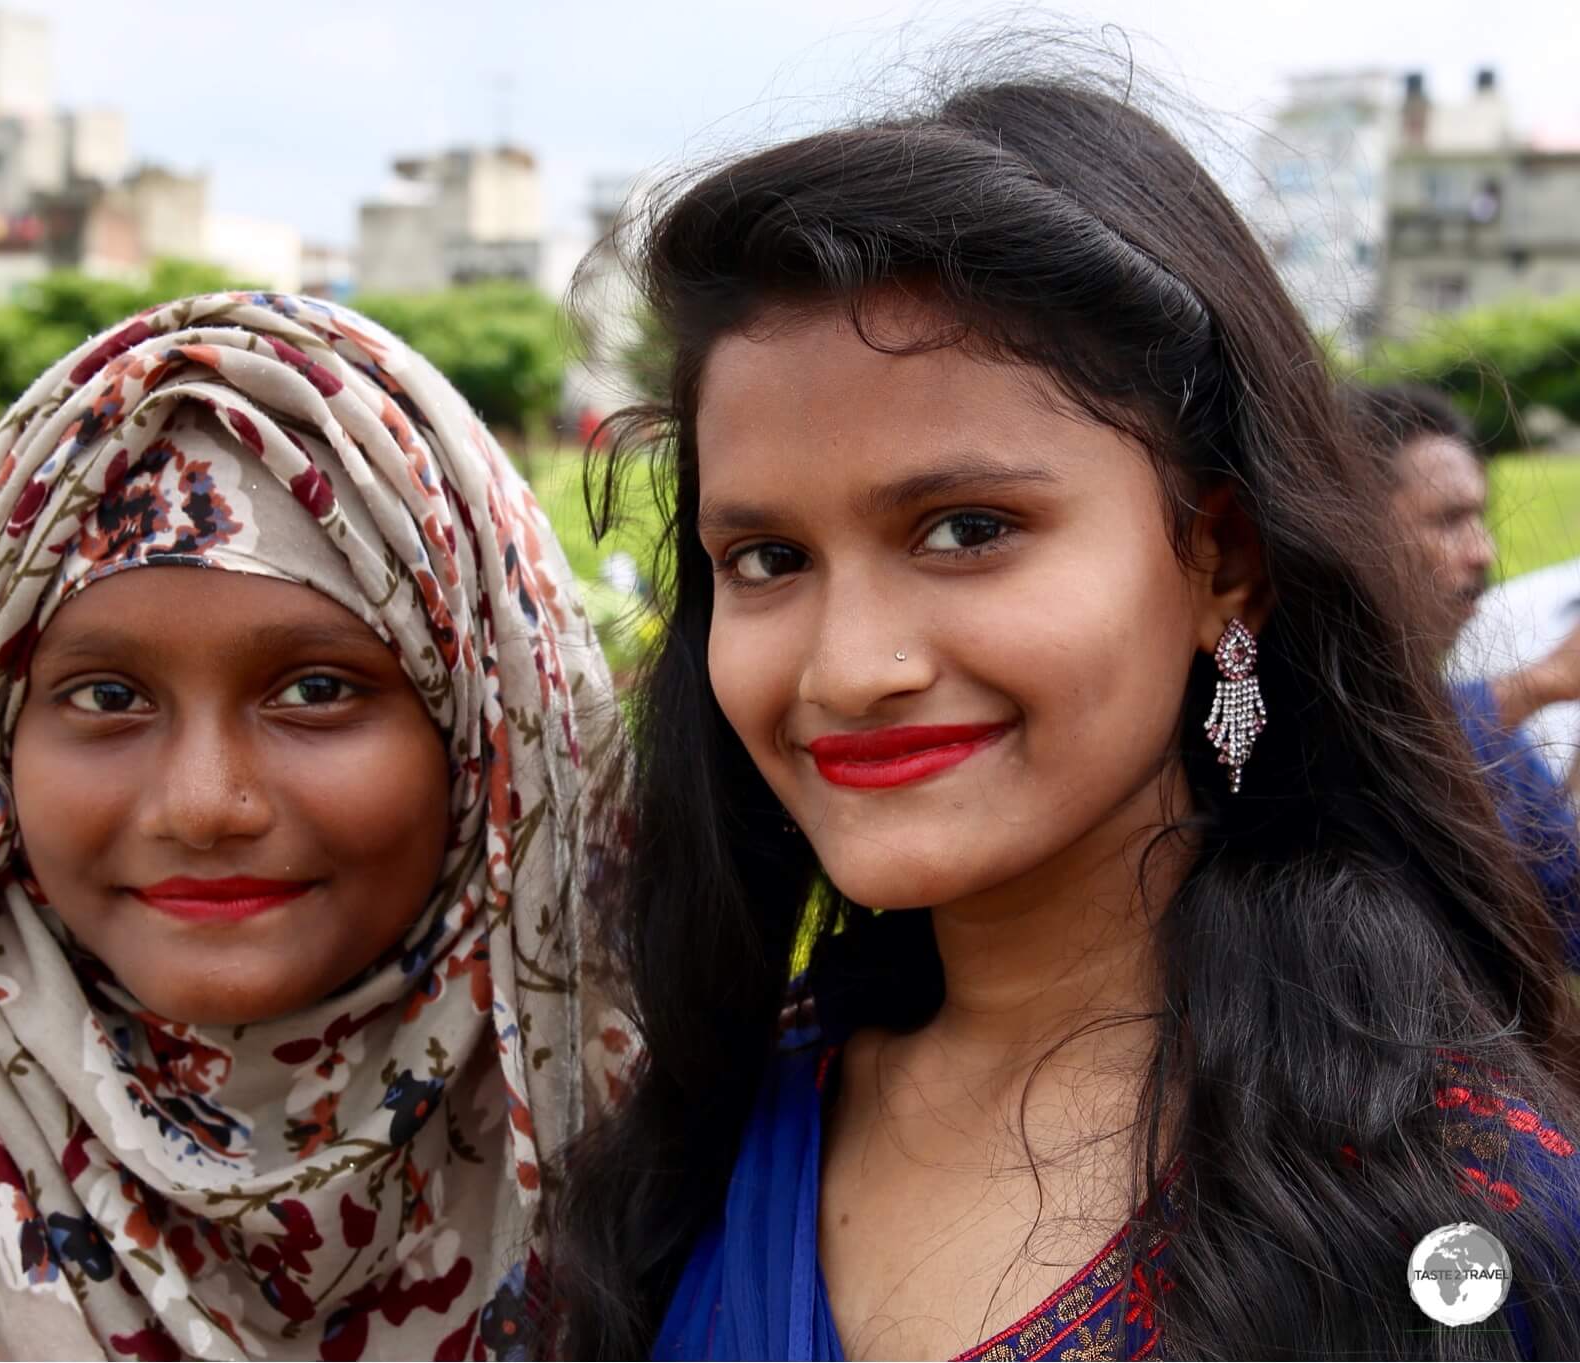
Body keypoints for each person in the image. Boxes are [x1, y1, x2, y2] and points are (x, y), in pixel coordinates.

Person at [551, 75, 1580, 1360]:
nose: (847, 666)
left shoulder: (1446, 1214)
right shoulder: (707, 1134)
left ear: (1221, 562)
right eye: (764, 558)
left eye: (966, 530)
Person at [0, 293, 619, 1359]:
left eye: (316, 688)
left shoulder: (729, 1191)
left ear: (489, 738)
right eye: (104, 697)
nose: (202, 804)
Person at [1345, 380, 1580, 966]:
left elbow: (1567, 917)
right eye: (1449, 520)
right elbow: (1370, 761)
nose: (1483, 553)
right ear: (1343, 524)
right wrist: (1541, 683)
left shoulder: (1480, 726)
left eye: (1479, 518)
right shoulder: (1266, 702)